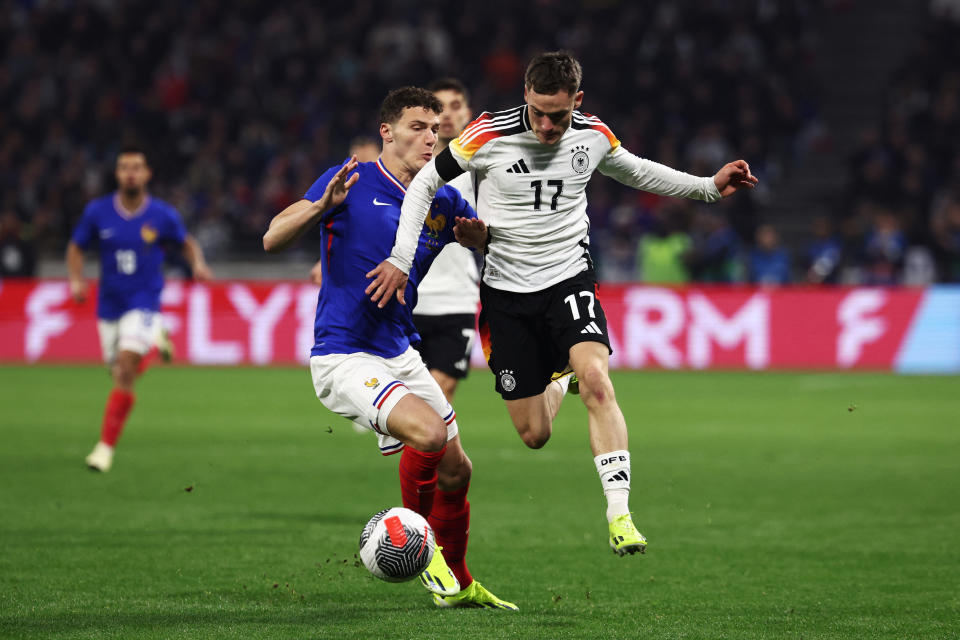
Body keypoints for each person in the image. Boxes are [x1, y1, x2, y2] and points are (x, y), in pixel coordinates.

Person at [367, 51, 758, 557]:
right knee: (534, 435)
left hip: (569, 278)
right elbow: (425, 182)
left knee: (597, 381)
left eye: (559, 114)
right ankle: (559, 374)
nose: (549, 125)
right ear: (526, 96)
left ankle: (620, 515)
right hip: (506, 293)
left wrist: (707, 188)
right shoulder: (487, 134)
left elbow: (636, 171)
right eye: (539, 112)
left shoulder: (592, 133)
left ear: (578, 100)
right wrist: (401, 256)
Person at [263, 87, 516, 610]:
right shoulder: (350, 180)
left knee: (457, 468)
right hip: (344, 354)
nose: (432, 136)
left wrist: (478, 236)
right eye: (419, 127)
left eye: (436, 128)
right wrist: (320, 208)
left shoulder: (441, 198)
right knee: (427, 434)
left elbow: (487, 239)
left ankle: (460, 582)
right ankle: (424, 557)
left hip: (399, 350)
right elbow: (272, 237)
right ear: (387, 132)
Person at [67, 145, 212, 473]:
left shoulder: (162, 214)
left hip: (144, 300)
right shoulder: (98, 212)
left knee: (125, 367)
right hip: (109, 305)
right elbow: (76, 247)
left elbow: (185, 241)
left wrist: (198, 263)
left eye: (136, 167)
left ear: (147, 174)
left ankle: (104, 449)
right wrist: (76, 280)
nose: (130, 172)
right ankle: (156, 337)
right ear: (117, 174)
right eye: (124, 167)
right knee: (120, 372)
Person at [412, 78, 480, 402]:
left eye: (455, 106)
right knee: (408, 400)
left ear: (467, 111)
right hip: (408, 294)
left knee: (441, 393)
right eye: (440, 108)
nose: (448, 115)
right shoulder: (408, 165)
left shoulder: (485, 167)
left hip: (456, 298)